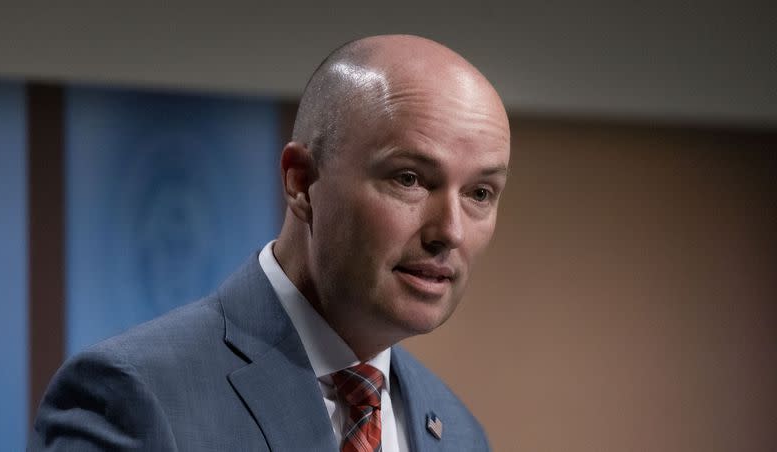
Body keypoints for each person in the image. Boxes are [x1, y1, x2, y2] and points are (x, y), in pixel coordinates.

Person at [29, 34, 511, 451]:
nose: (449, 231)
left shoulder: (459, 432)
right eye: (409, 178)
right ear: (301, 182)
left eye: (480, 193)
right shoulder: (130, 398)